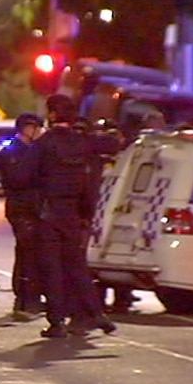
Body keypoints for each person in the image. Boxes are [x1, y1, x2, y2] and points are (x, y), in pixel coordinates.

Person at [16, 94, 116, 338]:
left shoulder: (43, 144)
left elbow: (22, 176)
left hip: (49, 213)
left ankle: (57, 322)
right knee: (77, 265)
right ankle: (97, 313)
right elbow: (111, 144)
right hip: (74, 212)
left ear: (52, 115)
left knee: (52, 269)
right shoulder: (83, 141)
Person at [0, 113, 46, 321]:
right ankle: (25, 299)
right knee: (27, 253)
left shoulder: (30, 151)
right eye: (37, 128)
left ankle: (27, 297)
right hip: (21, 207)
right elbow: (17, 179)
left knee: (27, 252)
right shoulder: (12, 153)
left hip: (29, 207)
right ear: (27, 128)